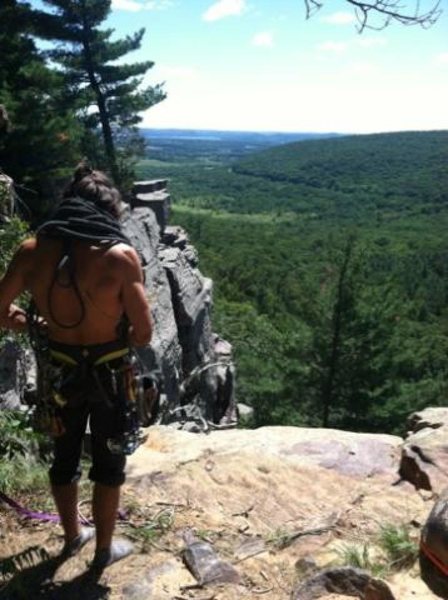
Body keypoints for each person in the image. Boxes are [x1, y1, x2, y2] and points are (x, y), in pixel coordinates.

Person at [0, 162, 153, 570]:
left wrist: (29, 320)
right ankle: (103, 549)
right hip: (110, 372)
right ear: (107, 211)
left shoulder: (32, 251)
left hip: (59, 369)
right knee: (109, 460)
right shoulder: (121, 257)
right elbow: (144, 333)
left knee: (63, 456)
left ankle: (72, 537)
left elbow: (0, 309)